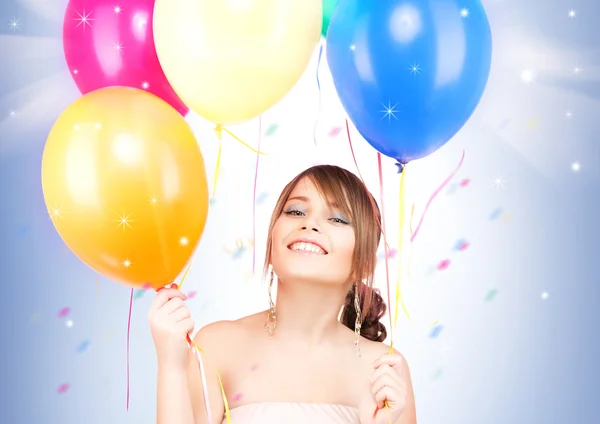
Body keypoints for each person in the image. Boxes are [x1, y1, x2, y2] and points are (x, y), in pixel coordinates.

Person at [149, 165, 417, 424]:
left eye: (337, 218)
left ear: (365, 263)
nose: (309, 224)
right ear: (272, 239)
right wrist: (171, 364)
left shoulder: (384, 369)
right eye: (296, 211)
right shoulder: (217, 346)